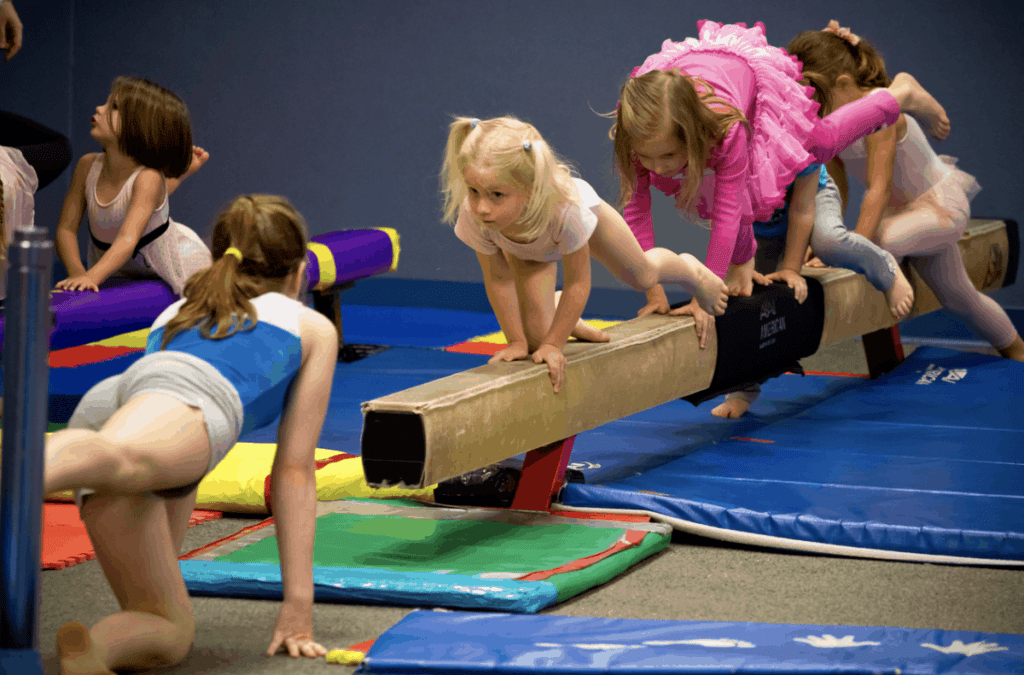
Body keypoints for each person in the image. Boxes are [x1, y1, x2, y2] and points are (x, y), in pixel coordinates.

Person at [44, 194, 337, 673]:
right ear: (299, 273)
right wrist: (298, 605)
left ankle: (93, 652)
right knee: (122, 459)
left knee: (166, 628)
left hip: (126, 415)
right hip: (160, 419)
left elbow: (179, 469)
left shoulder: (183, 307)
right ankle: (23, 468)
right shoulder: (309, 325)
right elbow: (295, 471)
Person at [609, 20, 949, 329]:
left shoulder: (726, 130)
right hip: (690, 77)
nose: (658, 167)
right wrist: (653, 293)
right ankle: (742, 261)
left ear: (693, 138)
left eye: (669, 155)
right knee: (730, 201)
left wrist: (705, 291)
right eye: (646, 157)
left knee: (817, 146)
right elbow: (636, 212)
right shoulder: (637, 131)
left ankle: (899, 94)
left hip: (751, 77)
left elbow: (729, 213)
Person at [788, 23, 1024, 362]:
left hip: (939, 206)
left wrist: (856, 246)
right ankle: (1016, 349)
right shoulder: (831, 129)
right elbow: (835, 188)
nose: (814, 111)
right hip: (906, 221)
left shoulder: (879, 113)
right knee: (959, 298)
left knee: (879, 238)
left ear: (842, 84)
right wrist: (827, 238)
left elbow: (879, 188)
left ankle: (907, 88)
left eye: (818, 100)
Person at [443, 116, 729, 393]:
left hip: (592, 224)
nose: (482, 207)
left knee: (643, 275)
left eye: (496, 194)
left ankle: (690, 269)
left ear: (530, 189)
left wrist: (555, 345)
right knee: (534, 342)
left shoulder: (566, 209)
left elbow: (577, 282)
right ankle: (563, 315)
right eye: (473, 191)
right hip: (528, 251)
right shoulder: (477, 216)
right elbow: (498, 280)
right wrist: (515, 341)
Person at [54, 76, 212, 296]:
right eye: (106, 103)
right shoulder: (87, 166)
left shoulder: (148, 178)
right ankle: (183, 173)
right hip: (124, 268)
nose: (100, 108)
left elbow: (128, 238)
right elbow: (66, 229)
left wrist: (92, 276)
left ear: (141, 127)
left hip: (175, 265)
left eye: (114, 107)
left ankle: (182, 173)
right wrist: (77, 272)